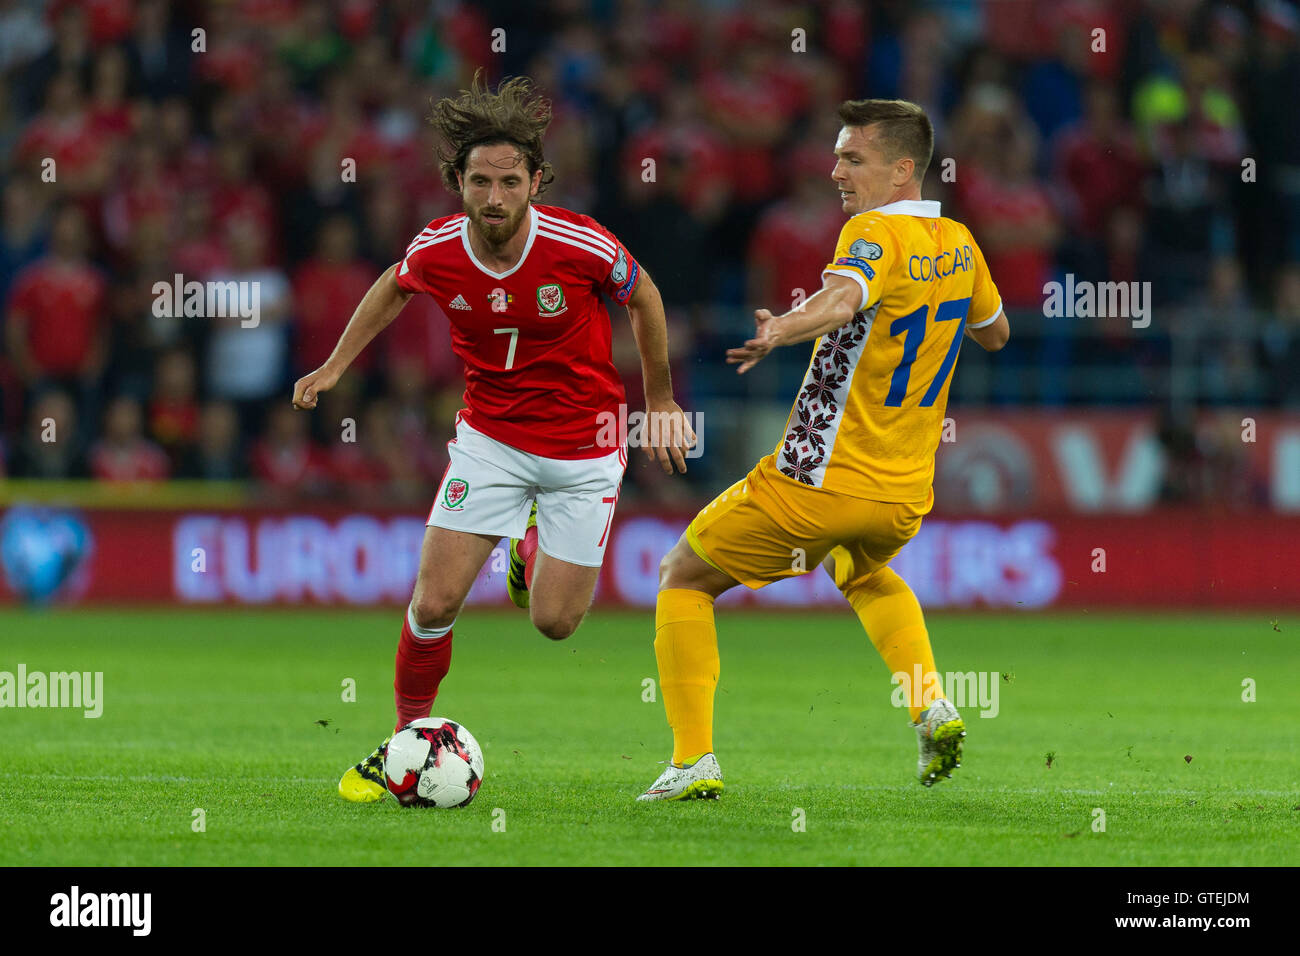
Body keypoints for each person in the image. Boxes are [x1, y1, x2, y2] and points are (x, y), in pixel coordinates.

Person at [291, 72, 693, 803]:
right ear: (458, 182)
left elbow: (645, 295)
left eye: (510, 181)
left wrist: (659, 399)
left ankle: (528, 543)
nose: (495, 198)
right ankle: (405, 743)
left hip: (585, 445)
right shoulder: (439, 248)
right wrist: (334, 365)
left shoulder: (577, 241)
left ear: (536, 180)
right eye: (480, 182)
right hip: (491, 440)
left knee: (554, 623)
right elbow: (391, 285)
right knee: (434, 602)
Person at [639, 98, 1009, 801]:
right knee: (863, 573)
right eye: (836, 154)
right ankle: (931, 705)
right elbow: (995, 334)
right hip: (901, 495)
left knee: (682, 576)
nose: (834, 169)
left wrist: (782, 327)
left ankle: (693, 762)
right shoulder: (961, 242)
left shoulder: (872, 232)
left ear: (902, 170)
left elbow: (841, 299)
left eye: (853, 158)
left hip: (819, 479)